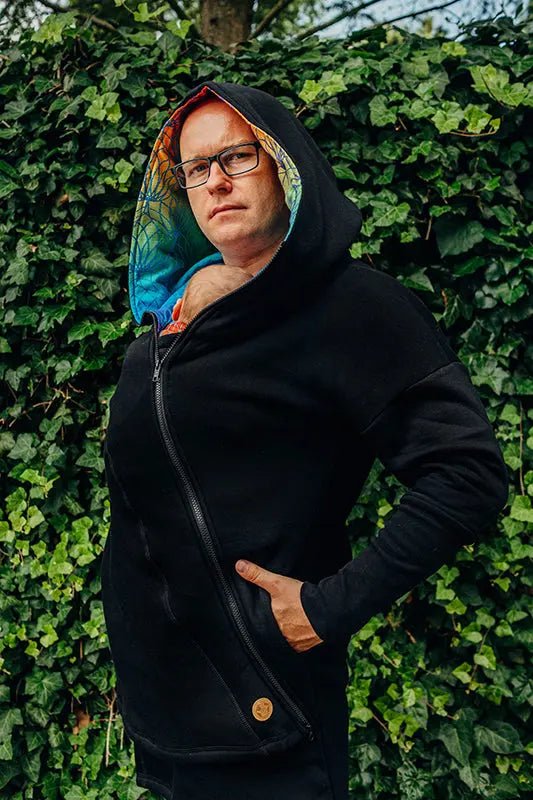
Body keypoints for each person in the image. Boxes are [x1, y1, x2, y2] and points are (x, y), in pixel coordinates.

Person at [102, 80, 509, 800]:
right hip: (164, 725)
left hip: (271, 725)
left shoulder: (352, 306)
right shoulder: (163, 331)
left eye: (237, 156)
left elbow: (467, 473)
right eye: (195, 168)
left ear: (285, 165)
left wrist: (329, 607)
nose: (215, 181)